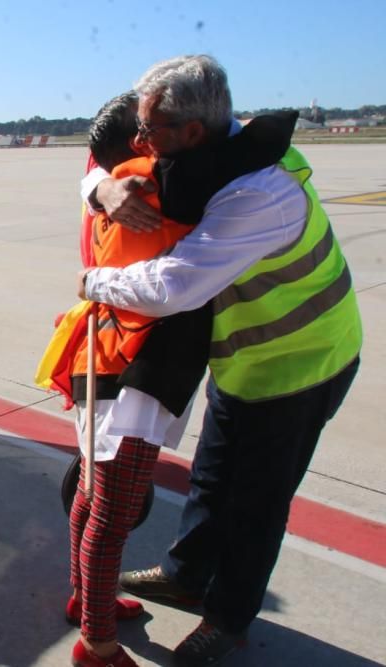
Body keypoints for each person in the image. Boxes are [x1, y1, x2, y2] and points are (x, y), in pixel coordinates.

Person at [79, 55, 362, 667]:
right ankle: (186, 573)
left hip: (300, 360)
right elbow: (111, 164)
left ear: (192, 131)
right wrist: (100, 187)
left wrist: (94, 282)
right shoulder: (211, 153)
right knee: (212, 477)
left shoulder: (257, 190)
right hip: (242, 359)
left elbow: (173, 287)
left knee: (256, 502)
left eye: (151, 131)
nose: (140, 141)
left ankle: (228, 618)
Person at [53, 92, 294, 667]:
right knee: (113, 512)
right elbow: (240, 156)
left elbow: (97, 180)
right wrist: (263, 129)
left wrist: (98, 186)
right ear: (137, 145)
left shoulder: (114, 186)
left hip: (106, 351)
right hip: (140, 366)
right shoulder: (150, 184)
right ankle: (98, 643)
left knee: (93, 492)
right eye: (150, 128)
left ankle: (87, 599)